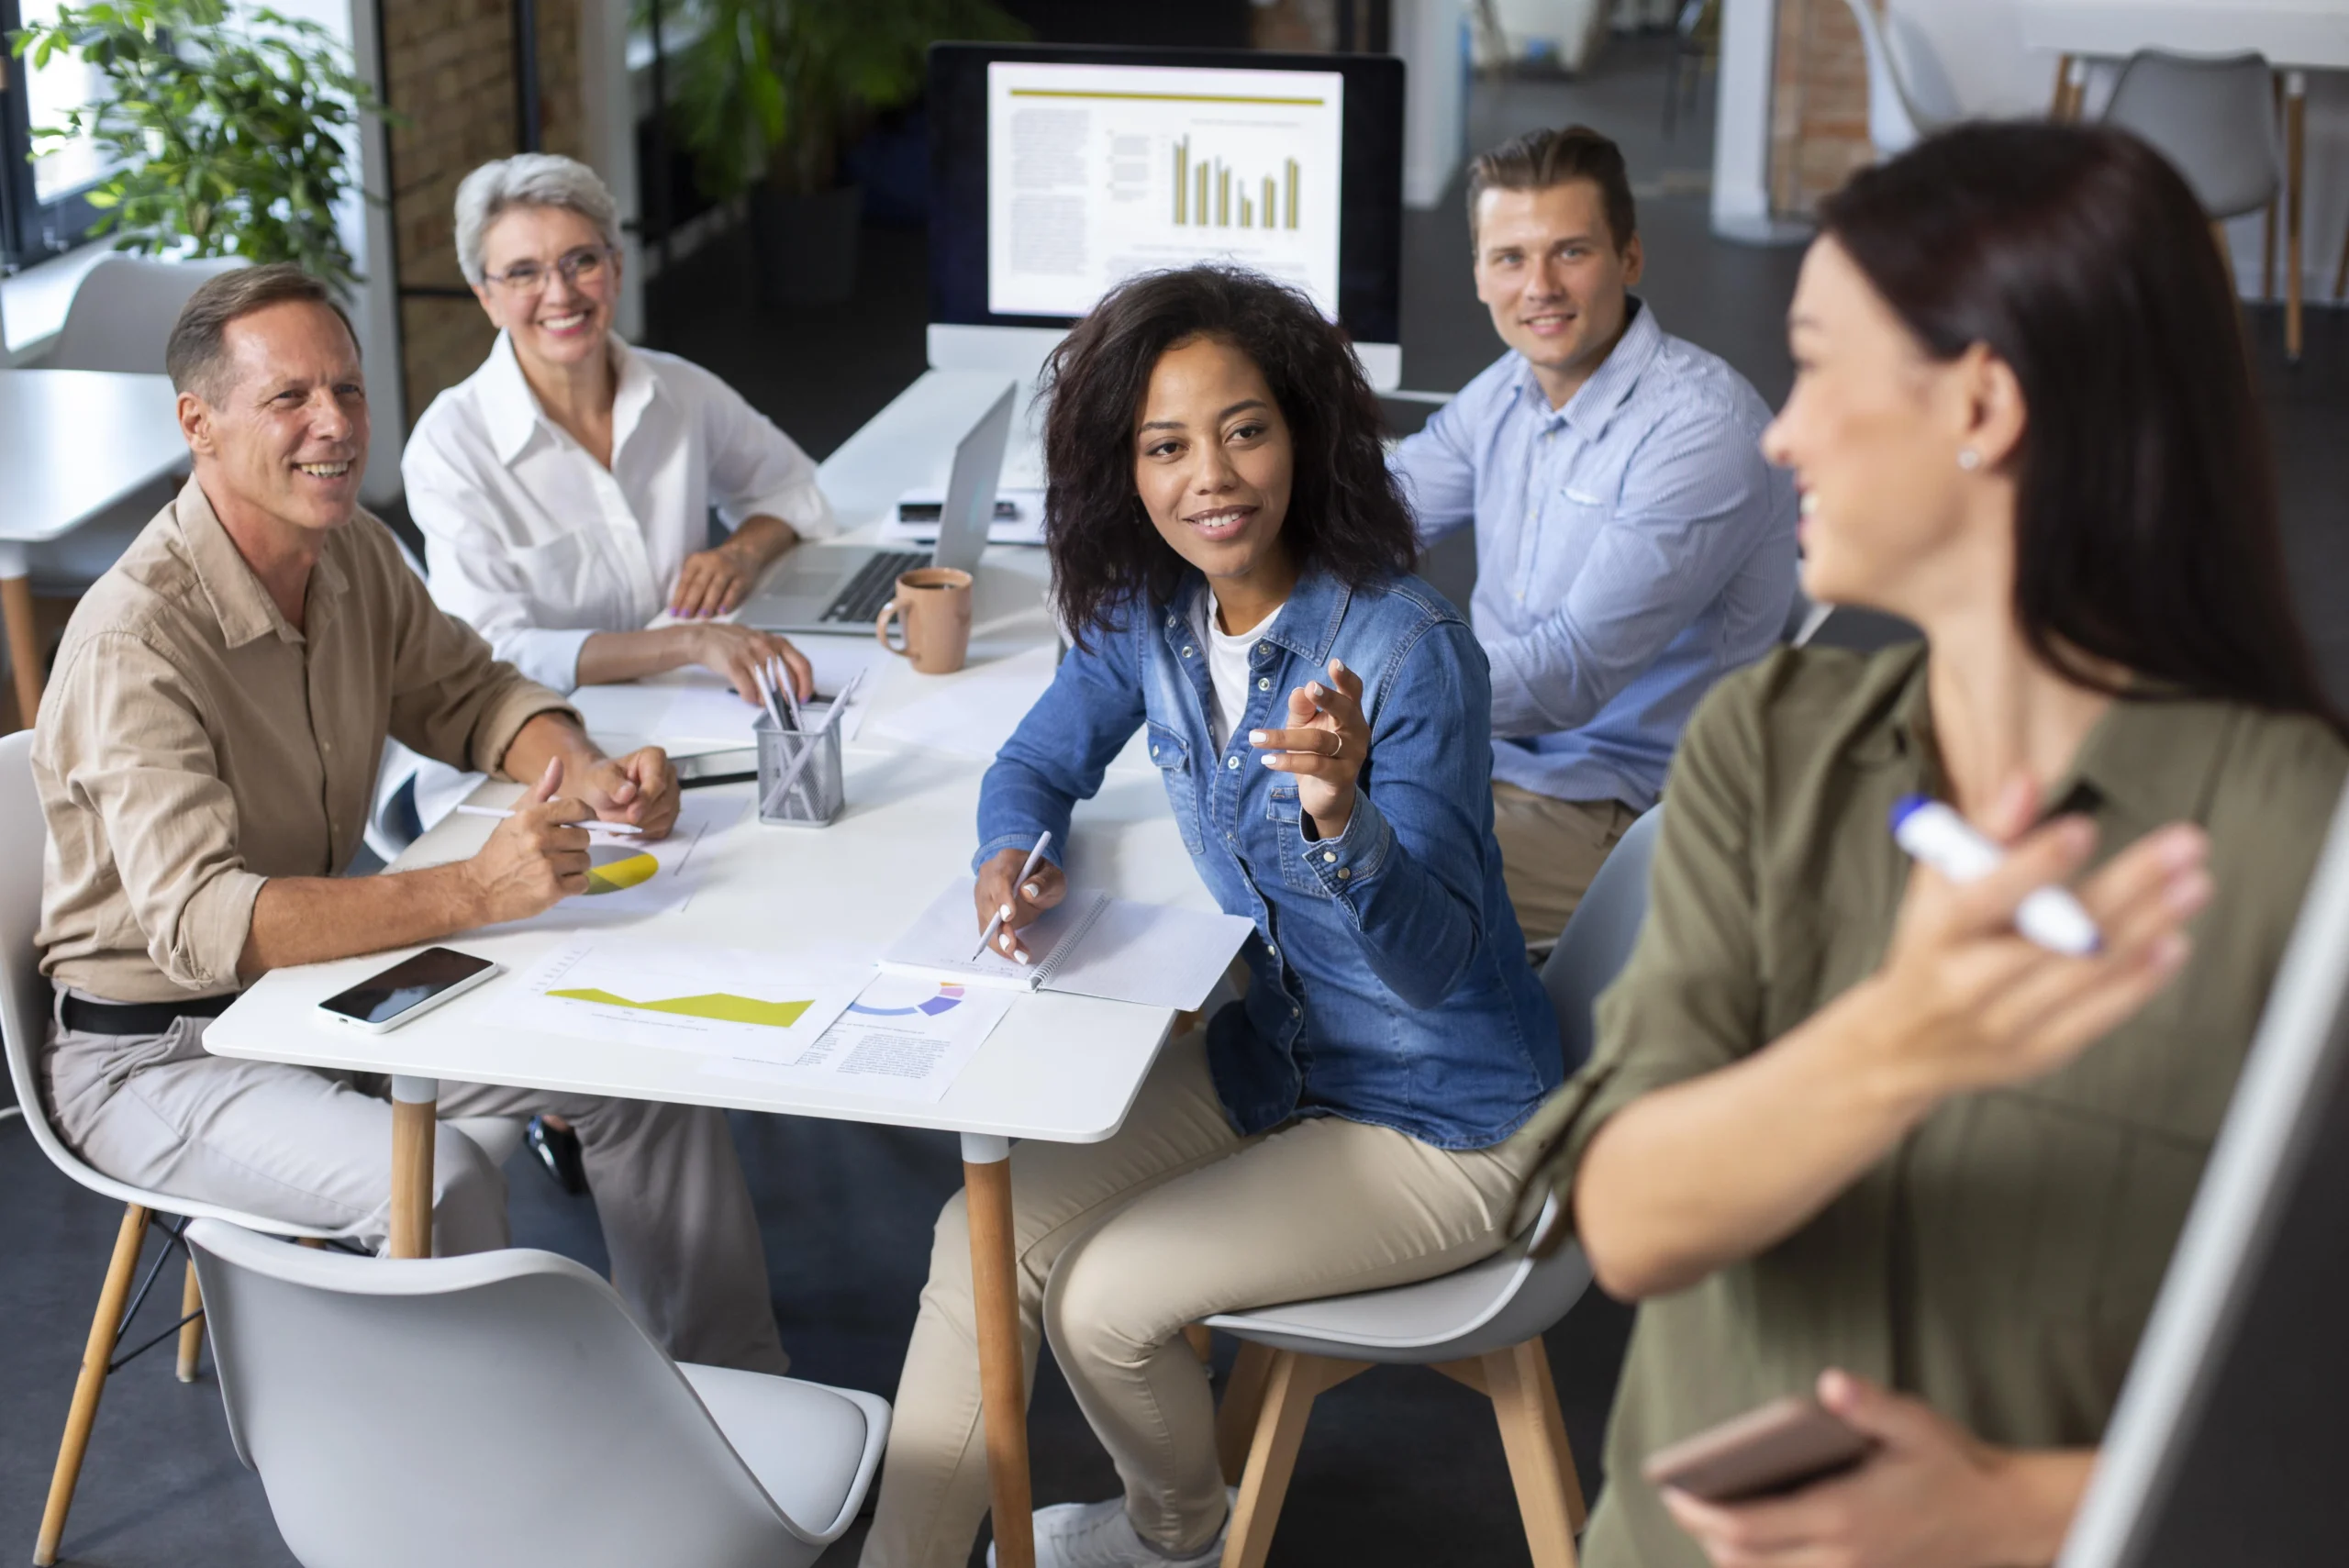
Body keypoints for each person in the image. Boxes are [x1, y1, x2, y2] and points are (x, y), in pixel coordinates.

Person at [1503, 122, 2348, 1568]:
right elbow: (1628, 1222)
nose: (1782, 430)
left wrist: (2012, 1515)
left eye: (1822, 363)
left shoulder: (2300, 847)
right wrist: (1902, 1040)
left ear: (1984, 401)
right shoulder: (1767, 747)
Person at [859, 266, 1562, 1568]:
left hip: (1446, 1116)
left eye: (1244, 429)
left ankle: (1175, 1541)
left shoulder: (1406, 649)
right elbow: (1032, 764)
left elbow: (1437, 965)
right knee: (984, 1230)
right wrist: (1011, 851)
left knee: (1103, 1302)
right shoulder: (1152, 614)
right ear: (1124, 470)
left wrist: (1341, 812)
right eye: (1165, 446)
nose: (1212, 477)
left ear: (1301, 432)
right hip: (1277, 1061)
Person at [34, 263, 787, 1374]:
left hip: (315, 993)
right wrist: (476, 891)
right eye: (289, 397)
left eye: (347, 389)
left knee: (641, 1075)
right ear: (199, 422)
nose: (334, 424)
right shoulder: (134, 640)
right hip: (160, 1055)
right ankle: (481, 1493)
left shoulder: (351, 553)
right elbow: (207, 924)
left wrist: (578, 768)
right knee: (438, 1181)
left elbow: (470, 695)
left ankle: (720, 1399)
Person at [1390, 125, 1798, 943]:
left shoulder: (1699, 430)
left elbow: (1569, 674)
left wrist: (1376, 697)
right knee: (1253, 810)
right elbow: (1381, 508)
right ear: (1478, 273)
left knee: (1323, 887)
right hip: (1492, 762)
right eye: (1510, 258)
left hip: (1622, 812)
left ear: (1630, 258)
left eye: (1570, 252)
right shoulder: (1509, 388)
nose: (1538, 286)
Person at [397, 152, 834, 833]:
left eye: (581, 261)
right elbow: (491, 655)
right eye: (523, 273)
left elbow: (792, 487)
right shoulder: (451, 446)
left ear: (618, 266)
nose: (560, 293)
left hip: (682, 723)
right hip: (533, 758)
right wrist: (689, 642)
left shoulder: (678, 390)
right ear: (486, 296)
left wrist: (743, 554)